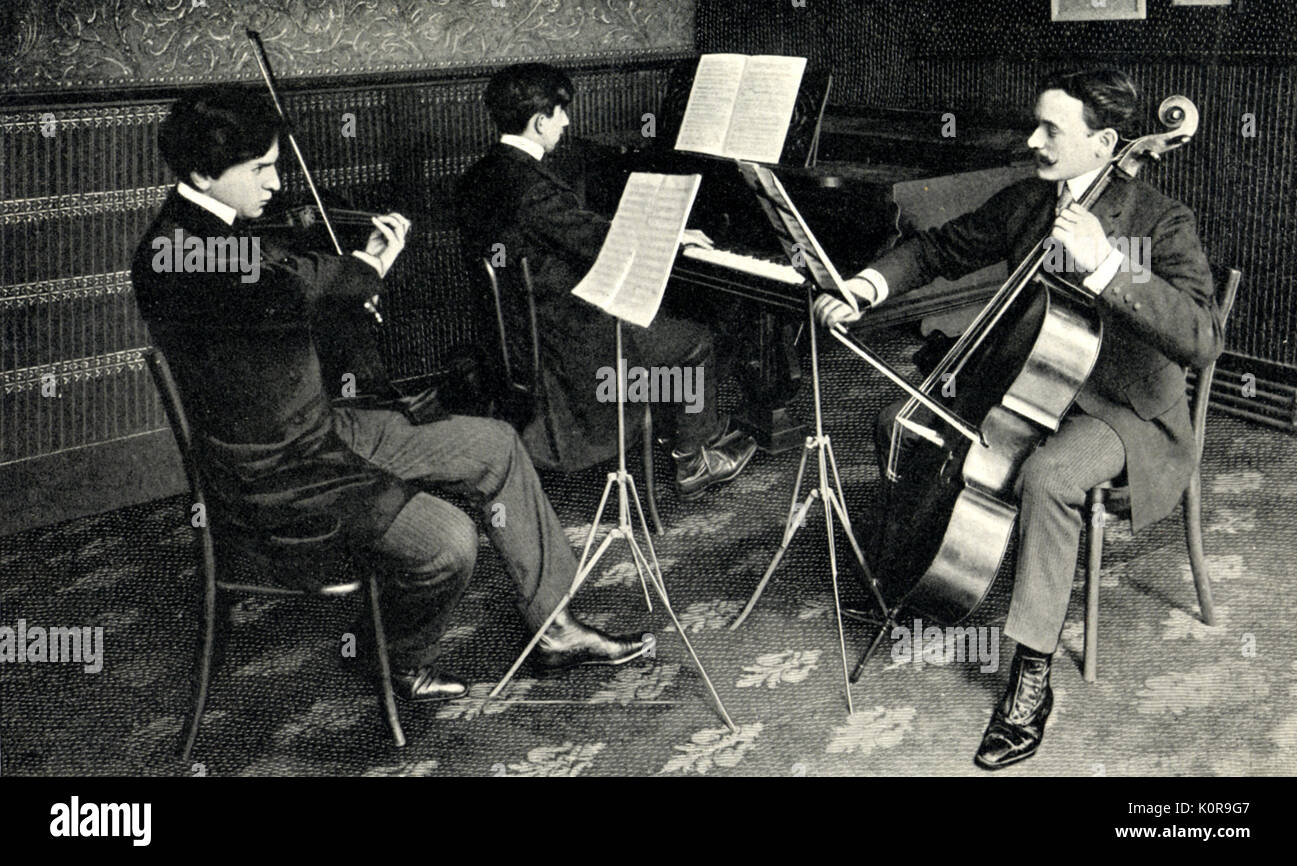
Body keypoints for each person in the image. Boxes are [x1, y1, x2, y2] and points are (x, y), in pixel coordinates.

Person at [131, 86, 650, 706]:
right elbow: (299, 285)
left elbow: (294, 304)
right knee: (447, 544)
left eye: (275, 165)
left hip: (314, 425)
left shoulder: (216, 228)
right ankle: (393, 656)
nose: (275, 184)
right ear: (199, 173)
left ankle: (556, 624)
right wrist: (370, 268)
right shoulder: (185, 250)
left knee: (495, 445)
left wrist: (354, 289)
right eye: (260, 169)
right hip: (277, 468)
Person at [821, 69, 1222, 769]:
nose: (1032, 140)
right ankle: (919, 574)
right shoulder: (1028, 201)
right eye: (1035, 125)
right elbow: (937, 247)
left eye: (1050, 131)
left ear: (1103, 143)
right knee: (901, 422)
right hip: (1033, 384)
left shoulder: (1161, 219)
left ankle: (1030, 677)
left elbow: (1199, 337)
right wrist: (867, 285)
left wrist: (1105, 266)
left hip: (1122, 406)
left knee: (1048, 476)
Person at [456, 62, 758, 500]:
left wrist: (619, 226)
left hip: (517, 341)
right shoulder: (534, 186)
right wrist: (672, 234)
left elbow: (566, 230)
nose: (566, 122)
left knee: (664, 317)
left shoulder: (482, 175)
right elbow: (597, 242)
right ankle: (692, 459)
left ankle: (673, 428)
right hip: (569, 351)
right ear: (539, 122)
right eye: (560, 113)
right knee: (695, 338)